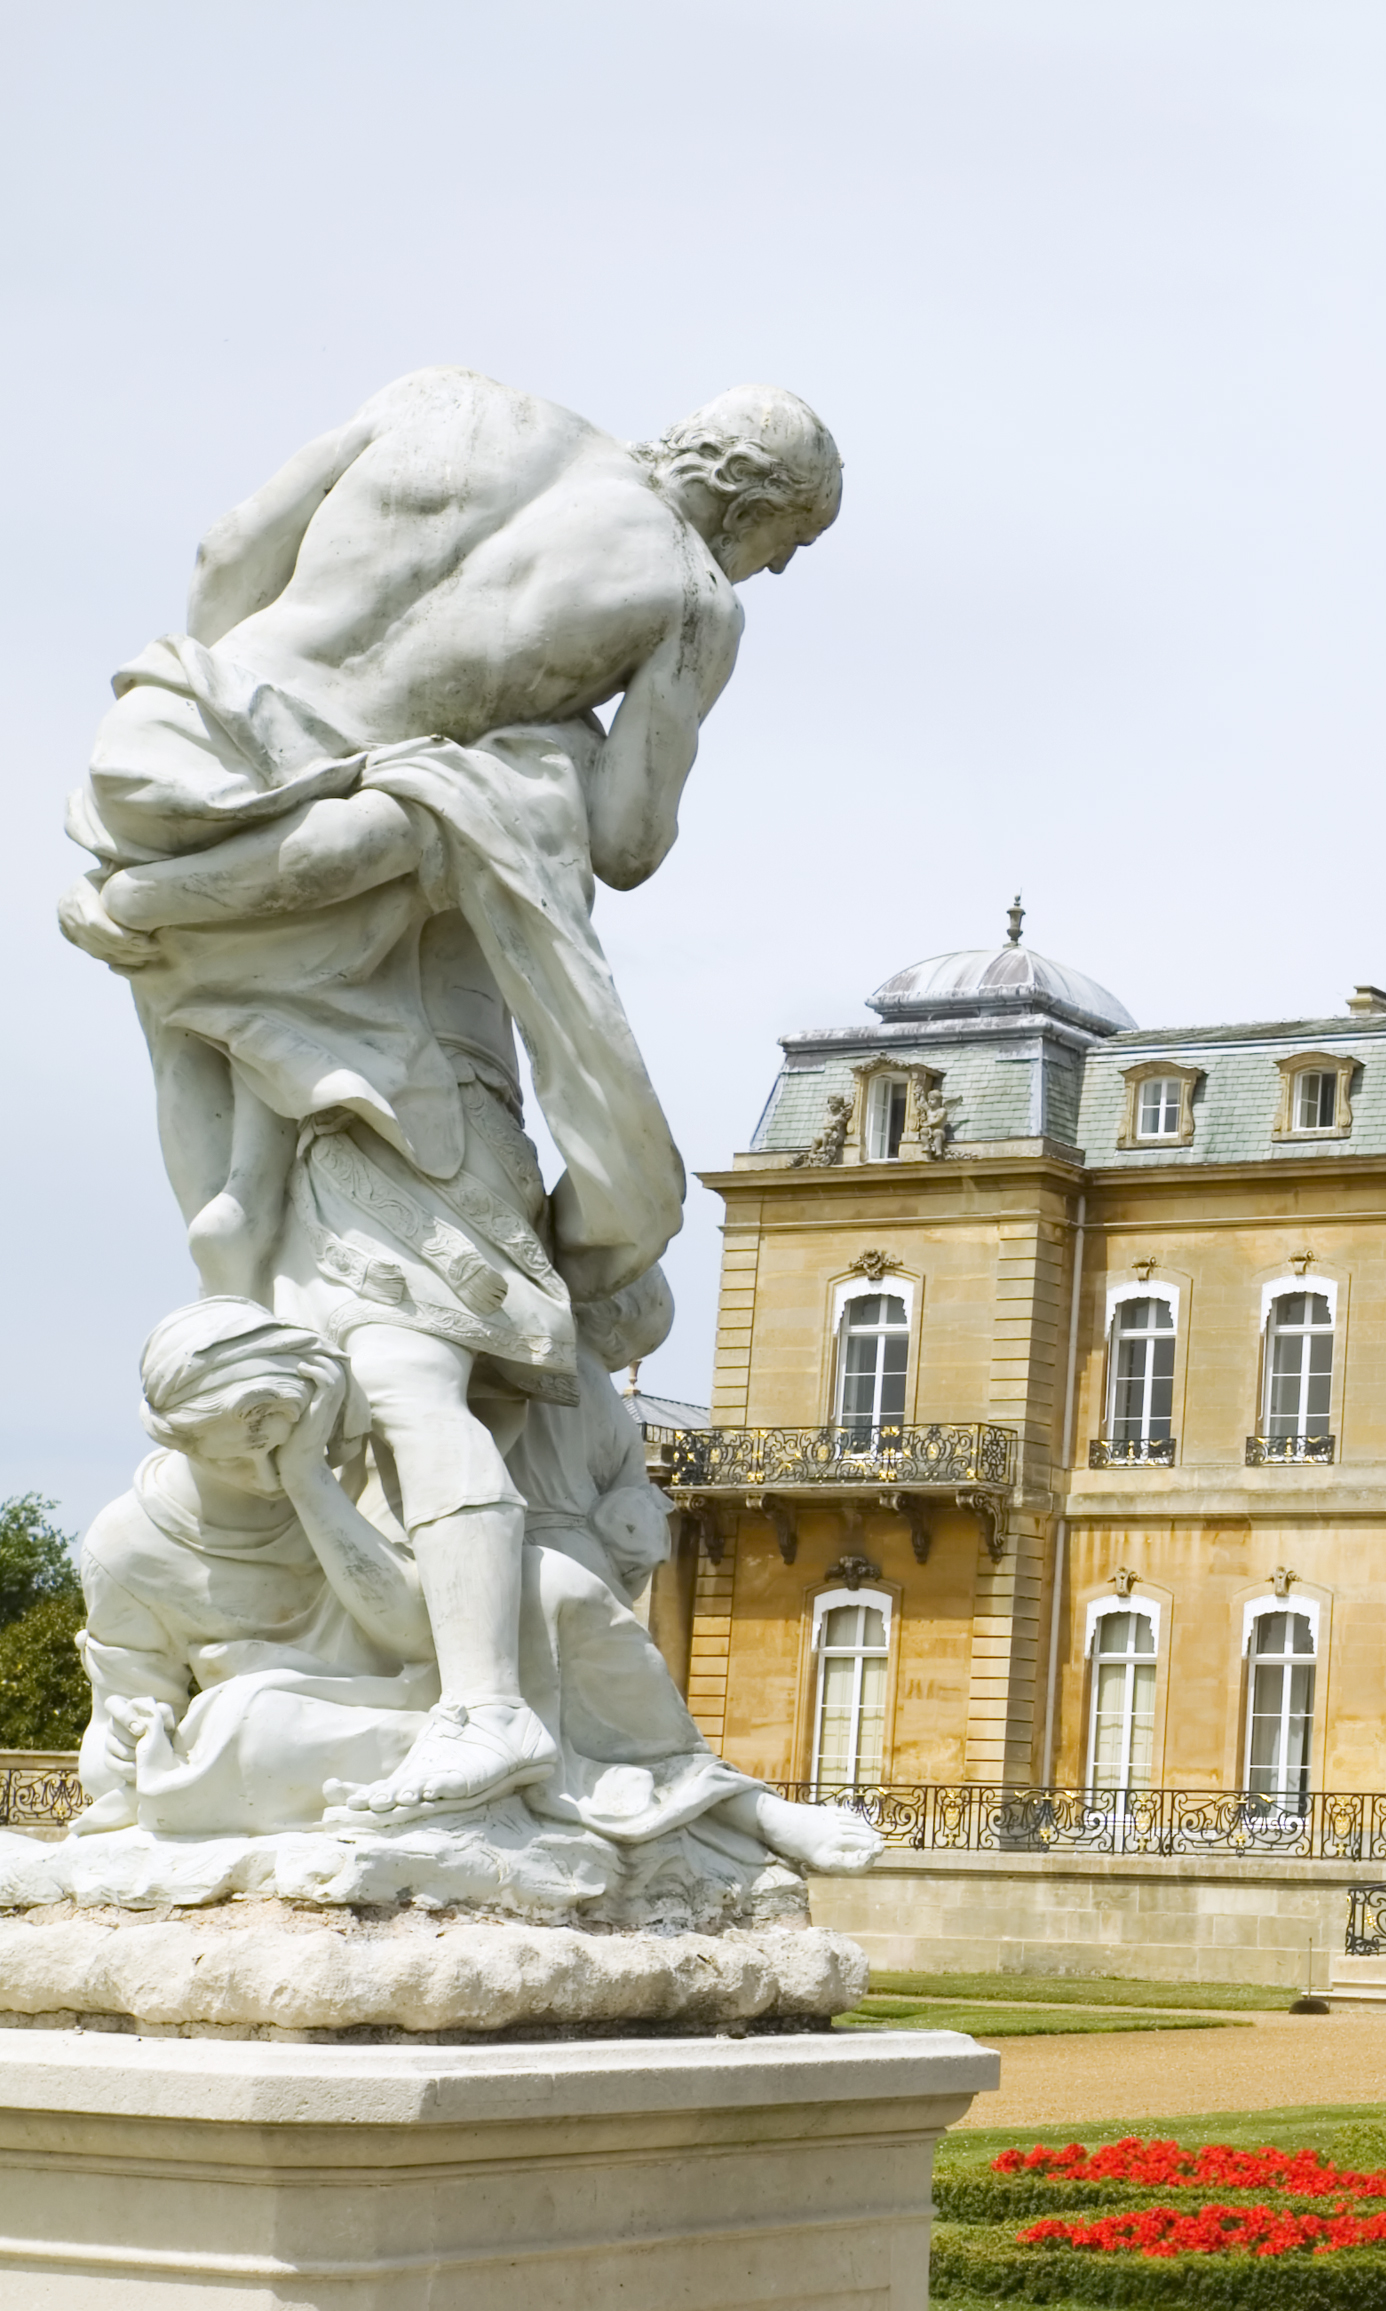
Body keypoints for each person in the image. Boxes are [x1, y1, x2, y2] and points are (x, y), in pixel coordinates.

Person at [56, 369, 840, 1826]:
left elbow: (232, 550)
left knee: (244, 1220)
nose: (769, 572)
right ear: (752, 504)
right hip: (353, 851)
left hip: (175, 751)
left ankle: (153, 907)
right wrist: (527, 743)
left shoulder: (452, 402)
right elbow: (625, 839)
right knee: (395, 1313)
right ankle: (475, 1701)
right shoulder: (689, 592)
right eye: (783, 546)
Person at [67, 1300, 873, 1899]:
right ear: (174, 1431)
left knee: (545, 1585)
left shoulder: (345, 1465)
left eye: (286, 1419)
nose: (272, 1444)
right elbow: (112, 1755)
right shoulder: (127, 1544)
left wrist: (314, 1484)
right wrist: (131, 1734)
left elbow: (425, 1629)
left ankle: (741, 1807)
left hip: (440, 1698)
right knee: (250, 1727)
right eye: (248, 1428)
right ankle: (519, 1781)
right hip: (302, 1731)